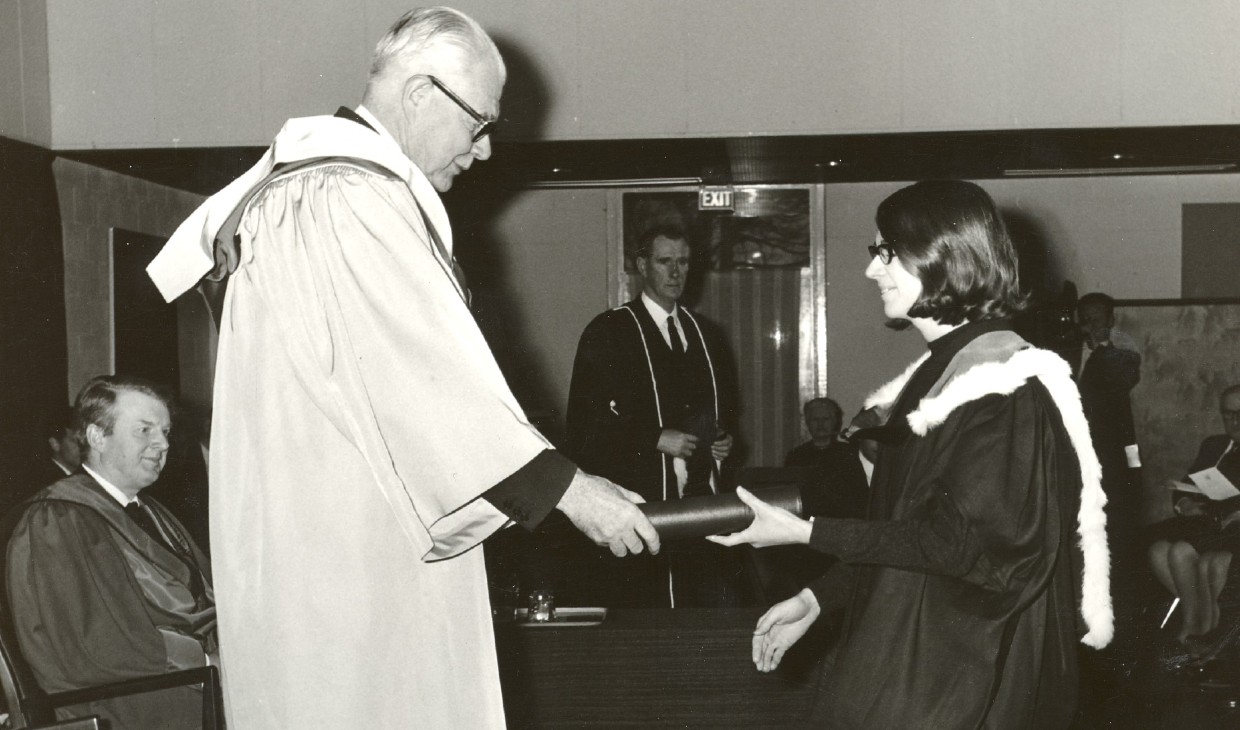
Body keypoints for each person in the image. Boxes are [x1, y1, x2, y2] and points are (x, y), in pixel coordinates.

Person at [146, 7, 658, 728]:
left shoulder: (307, 190)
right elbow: (420, 374)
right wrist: (568, 490)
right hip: (350, 568)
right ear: (420, 95)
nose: (482, 152)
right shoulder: (345, 197)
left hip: (320, 548)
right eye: (479, 123)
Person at [709, 180, 1112, 728]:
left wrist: (804, 532)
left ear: (942, 254)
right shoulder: (942, 374)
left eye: (885, 253)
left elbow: (961, 546)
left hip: (969, 674)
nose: (871, 270)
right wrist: (821, 596)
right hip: (924, 648)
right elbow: (907, 532)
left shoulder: (1005, 389)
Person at [6, 376, 215, 730]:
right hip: (123, 702)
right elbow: (95, 645)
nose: (162, 443)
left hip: (179, 679)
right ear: (96, 437)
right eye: (144, 430)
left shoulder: (151, 512)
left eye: (165, 431)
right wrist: (208, 658)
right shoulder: (56, 520)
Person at [565, 224, 736, 607]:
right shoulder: (610, 331)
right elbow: (583, 424)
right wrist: (653, 437)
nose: (676, 273)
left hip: (700, 500)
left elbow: (715, 414)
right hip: (643, 499)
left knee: (702, 604)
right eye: (664, 261)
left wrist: (722, 439)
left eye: (683, 262)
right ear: (642, 265)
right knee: (651, 612)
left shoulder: (706, 335)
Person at [1147, 384, 1240, 644]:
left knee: (1180, 551)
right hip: (1207, 521)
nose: (1234, 421)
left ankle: (1195, 626)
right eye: (1228, 414)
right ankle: (1199, 619)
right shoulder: (1214, 445)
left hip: (1232, 526)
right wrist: (1186, 501)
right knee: (1156, 549)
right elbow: (1186, 483)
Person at [1076, 291, 1142, 542]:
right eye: (1085, 320)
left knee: (1117, 522)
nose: (1090, 326)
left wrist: (1101, 349)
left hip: (1115, 455)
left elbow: (1124, 378)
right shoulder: (1067, 353)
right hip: (1077, 454)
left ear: (1111, 321)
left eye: (1097, 319)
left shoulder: (1122, 357)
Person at [784, 397, 868, 519]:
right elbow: (790, 497)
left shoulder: (848, 453)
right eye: (815, 419)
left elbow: (860, 496)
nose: (820, 424)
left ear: (834, 422)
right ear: (807, 423)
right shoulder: (796, 456)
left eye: (826, 419)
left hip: (842, 521)